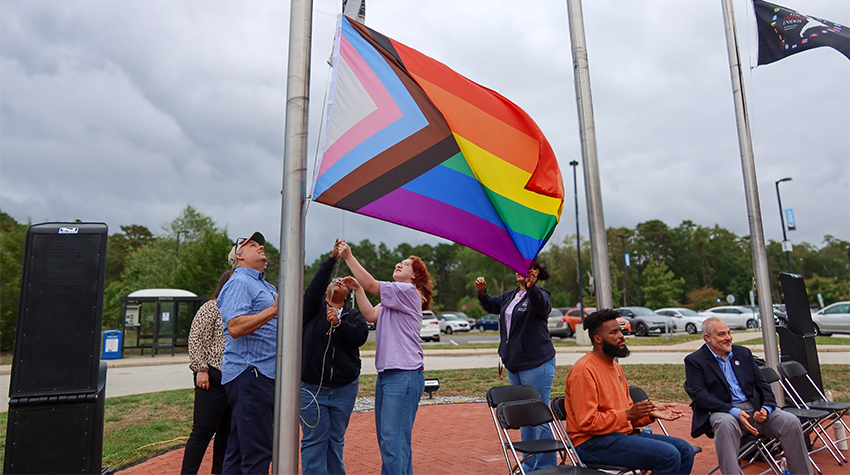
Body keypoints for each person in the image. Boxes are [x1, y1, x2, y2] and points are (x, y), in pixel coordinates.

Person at [337, 240, 431, 475]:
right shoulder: (393, 299)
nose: (399, 265)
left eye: (406, 264)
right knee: (392, 441)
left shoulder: (408, 292)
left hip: (404, 374)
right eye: (399, 262)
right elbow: (370, 314)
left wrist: (348, 256)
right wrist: (357, 289)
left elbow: (372, 284)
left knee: (393, 441)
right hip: (390, 375)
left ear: (414, 276)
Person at [565, 309, 694, 475]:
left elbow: (627, 413)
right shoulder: (583, 371)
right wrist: (627, 414)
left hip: (619, 435)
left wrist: (650, 412)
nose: (621, 335)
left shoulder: (615, 366)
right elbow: (587, 422)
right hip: (591, 443)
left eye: (620, 330)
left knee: (685, 450)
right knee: (669, 455)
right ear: (597, 339)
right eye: (614, 332)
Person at [685, 317, 813, 475]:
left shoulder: (742, 353)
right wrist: (735, 412)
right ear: (708, 338)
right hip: (725, 411)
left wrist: (765, 408)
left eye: (729, 333)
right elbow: (699, 395)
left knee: (790, 421)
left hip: (756, 409)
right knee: (725, 424)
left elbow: (762, 384)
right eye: (722, 334)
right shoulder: (695, 361)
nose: (728, 338)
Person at [475, 261, 557, 472]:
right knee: (525, 415)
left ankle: (547, 467)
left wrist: (532, 288)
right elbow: (492, 305)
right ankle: (529, 466)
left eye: (526, 268)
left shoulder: (540, 295)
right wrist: (482, 293)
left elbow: (543, 307)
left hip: (536, 363)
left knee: (539, 416)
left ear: (535, 273)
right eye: (517, 267)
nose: (519, 271)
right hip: (515, 365)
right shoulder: (510, 296)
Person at [300, 241, 369, 475]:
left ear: (348, 293)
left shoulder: (353, 315)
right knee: (314, 440)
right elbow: (316, 286)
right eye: (333, 281)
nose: (337, 282)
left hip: (344, 389)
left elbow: (360, 337)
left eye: (341, 282)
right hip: (311, 387)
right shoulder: (311, 309)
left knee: (335, 439)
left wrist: (338, 323)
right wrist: (332, 260)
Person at [216, 232, 278, 475]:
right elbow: (235, 326)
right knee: (258, 451)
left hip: (258, 374)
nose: (260, 246)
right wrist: (274, 310)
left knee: (241, 448)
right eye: (252, 245)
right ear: (239, 256)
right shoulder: (240, 282)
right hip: (250, 373)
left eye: (260, 243)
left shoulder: (266, 285)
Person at [181, 270, 234, 475]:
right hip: (212, 377)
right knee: (202, 432)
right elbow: (195, 340)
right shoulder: (211, 308)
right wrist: (200, 369)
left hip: (234, 378)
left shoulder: (240, 311)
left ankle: (219, 471)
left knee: (226, 432)